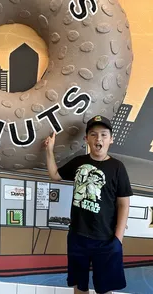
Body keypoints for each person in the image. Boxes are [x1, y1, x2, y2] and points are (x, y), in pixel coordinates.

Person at [44, 115, 133, 294]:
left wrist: (118, 239)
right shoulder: (79, 163)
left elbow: (124, 204)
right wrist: (49, 150)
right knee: (79, 287)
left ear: (111, 139)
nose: (98, 139)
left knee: (105, 288)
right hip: (78, 237)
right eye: (93, 134)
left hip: (106, 239)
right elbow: (55, 175)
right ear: (86, 139)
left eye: (103, 135)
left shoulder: (118, 167)